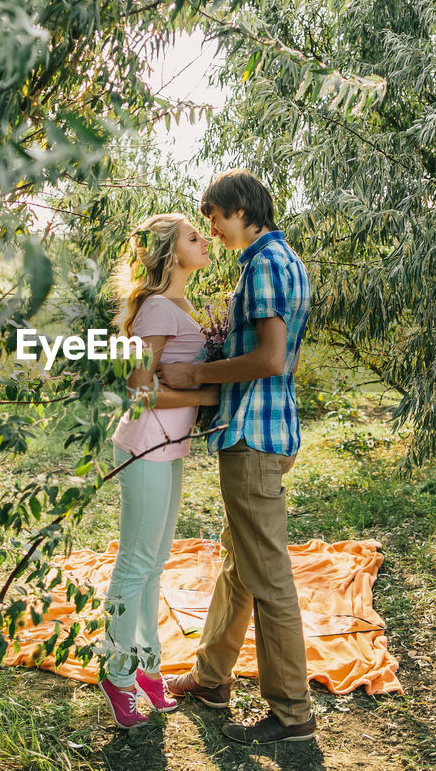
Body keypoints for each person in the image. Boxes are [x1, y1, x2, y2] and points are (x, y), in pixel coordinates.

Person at [157, 169, 315, 744]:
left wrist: (197, 370)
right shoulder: (279, 259)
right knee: (238, 561)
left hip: (253, 436)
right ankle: (213, 678)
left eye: (217, 218)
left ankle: (292, 712)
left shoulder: (266, 265)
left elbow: (271, 359)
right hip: (266, 429)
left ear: (242, 209)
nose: (214, 230)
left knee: (268, 576)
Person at [99, 213, 220, 729]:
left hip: (170, 450)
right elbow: (138, 390)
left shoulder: (183, 305)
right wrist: (214, 393)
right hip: (145, 448)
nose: (206, 240)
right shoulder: (154, 309)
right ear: (171, 253)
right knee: (135, 564)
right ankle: (116, 673)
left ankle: (147, 665)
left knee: (154, 565)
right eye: (195, 236)